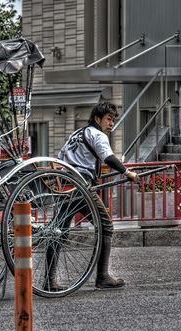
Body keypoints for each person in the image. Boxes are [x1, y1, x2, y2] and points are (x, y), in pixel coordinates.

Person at [49, 102, 139, 290]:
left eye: (113, 120)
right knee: (106, 225)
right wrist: (127, 172)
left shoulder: (76, 134)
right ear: (97, 119)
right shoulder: (97, 135)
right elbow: (108, 158)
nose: (111, 124)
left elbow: (61, 157)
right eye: (108, 119)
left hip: (65, 186)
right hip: (81, 189)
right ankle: (102, 277)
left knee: (58, 233)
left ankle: (49, 281)